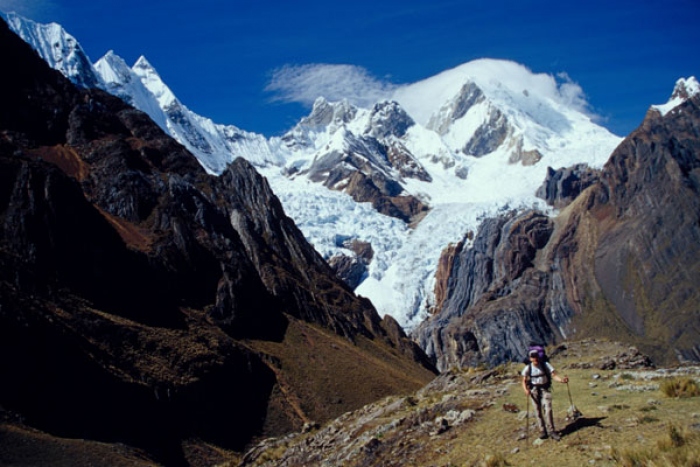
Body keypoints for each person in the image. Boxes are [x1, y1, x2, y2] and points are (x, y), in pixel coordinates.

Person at [521, 349, 569, 440]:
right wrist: (525, 390)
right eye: (533, 357)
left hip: (545, 389)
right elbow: (523, 381)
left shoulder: (545, 365)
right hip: (534, 390)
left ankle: (551, 431)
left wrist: (562, 380)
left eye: (536, 356)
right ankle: (543, 431)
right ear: (530, 358)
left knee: (548, 410)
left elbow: (554, 375)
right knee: (537, 411)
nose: (535, 358)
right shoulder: (528, 368)